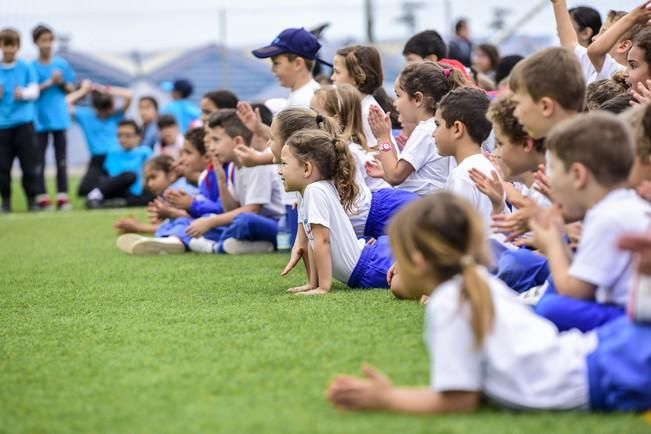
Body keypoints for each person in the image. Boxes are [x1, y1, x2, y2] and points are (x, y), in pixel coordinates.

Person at [326, 192, 651, 414]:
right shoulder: (475, 281)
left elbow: (458, 400)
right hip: (603, 351)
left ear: (419, 260)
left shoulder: (448, 303)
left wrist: (388, 398)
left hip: (601, 374)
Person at [530, 112, 651, 332]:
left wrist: (552, 244)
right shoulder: (619, 206)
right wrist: (560, 240)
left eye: (554, 169)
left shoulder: (608, 216)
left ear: (578, 175)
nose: (551, 179)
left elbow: (573, 290)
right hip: (622, 309)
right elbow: (582, 274)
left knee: (550, 307)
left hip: (626, 317)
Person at [118, 109, 284, 255]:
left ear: (237, 142)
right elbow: (231, 208)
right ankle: (242, 245)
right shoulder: (232, 167)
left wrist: (209, 220)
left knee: (242, 220)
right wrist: (221, 179)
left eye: (215, 140)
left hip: (275, 227)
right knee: (212, 222)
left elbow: (252, 210)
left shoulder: (255, 164)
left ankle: (214, 247)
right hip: (245, 223)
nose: (210, 147)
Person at [278, 129, 395, 295]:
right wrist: (312, 283)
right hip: (367, 260)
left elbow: (322, 241)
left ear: (306, 168)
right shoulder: (307, 192)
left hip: (370, 268)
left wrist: (323, 287)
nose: (279, 171)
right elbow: (313, 240)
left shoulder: (315, 191)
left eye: (284, 164)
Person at [366, 61, 465, 196]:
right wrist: (385, 172)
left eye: (398, 95)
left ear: (418, 99)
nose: (395, 103)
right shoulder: (435, 127)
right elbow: (399, 171)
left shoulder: (425, 130)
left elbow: (395, 176)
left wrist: (382, 138)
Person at [433, 87, 498, 223]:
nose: (433, 133)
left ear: (457, 128)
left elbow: (456, 231)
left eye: (438, 125)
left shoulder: (463, 175)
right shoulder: (487, 166)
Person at [31, 24, 76, 210]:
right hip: (39, 119)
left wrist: (62, 82)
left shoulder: (62, 64)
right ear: (36, 43)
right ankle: (41, 196)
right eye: (43, 40)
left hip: (59, 118)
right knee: (39, 159)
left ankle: (62, 195)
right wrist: (49, 82)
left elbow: (72, 88)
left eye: (50, 40)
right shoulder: (31, 66)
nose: (48, 44)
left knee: (61, 159)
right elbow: (31, 91)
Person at [68, 79, 134, 197]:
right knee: (84, 190)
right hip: (97, 159)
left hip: (115, 155)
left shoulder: (116, 115)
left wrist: (105, 89)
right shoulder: (86, 115)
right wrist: (84, 91)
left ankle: (105, 190)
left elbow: (129, 94)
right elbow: (65, 103)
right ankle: (104, 189)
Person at [0, 28, 42, 213]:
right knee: (2, 168)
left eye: (12, 45)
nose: (9, 49)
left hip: (24, 123)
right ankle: (6, 202)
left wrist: (22, 93)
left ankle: (32, 200)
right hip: (2, 126)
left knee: (29, 166)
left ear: (17, 47)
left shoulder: (26, 67)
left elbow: (35, 91)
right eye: (5, 45)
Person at [83, 119, 153, 208]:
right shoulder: (113, 151)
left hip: (134, 191)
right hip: (114, 188)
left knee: (151, 196)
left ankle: (113, 203)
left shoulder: (145, 152)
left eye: (128, 136)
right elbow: (109, 175)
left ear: (138, 137)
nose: (123, 139)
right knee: (128, 176)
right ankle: (93, 196)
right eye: (119, 136)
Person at [252, 27, 326, 110]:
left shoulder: (306, 102)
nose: (272, 69)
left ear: (298, 64)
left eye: (276, 63)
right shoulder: (303, 96)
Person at [331, 45, 384, 148]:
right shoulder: (353, 107)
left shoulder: (369, 114)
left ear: (357, 76)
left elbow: (377, 154)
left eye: (337, 72)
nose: (332, 77)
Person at [587, 2, 650, 83]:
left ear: (624, 46)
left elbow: (594, 51)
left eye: (604, 33)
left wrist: (632, 17)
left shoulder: (618, 72)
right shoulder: (594, 67)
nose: (593, 38)